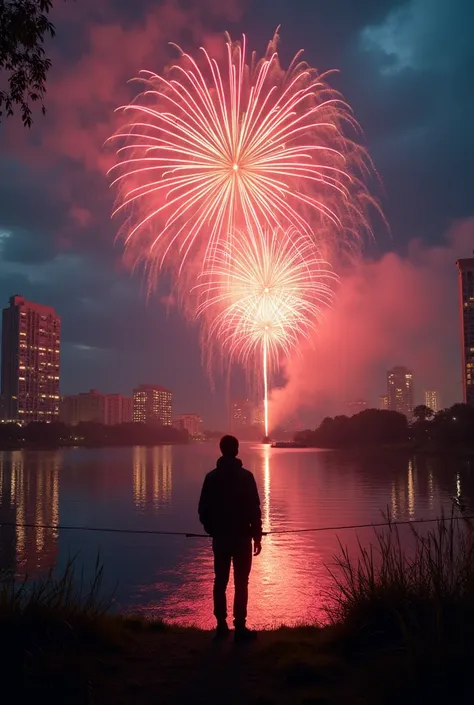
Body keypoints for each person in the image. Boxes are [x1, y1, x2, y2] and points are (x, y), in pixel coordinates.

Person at [198, 435, 262, 642]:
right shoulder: (246, 477)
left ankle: (221, 624)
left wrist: (212, 530)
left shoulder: (211, 477)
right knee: (241, 582)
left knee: (220, 582)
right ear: (237, 450)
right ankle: (240, 626)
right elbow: (254, 509)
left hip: (221, 538)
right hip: (243, 537)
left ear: (221, 450)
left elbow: (203, 509)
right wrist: (257, 535)